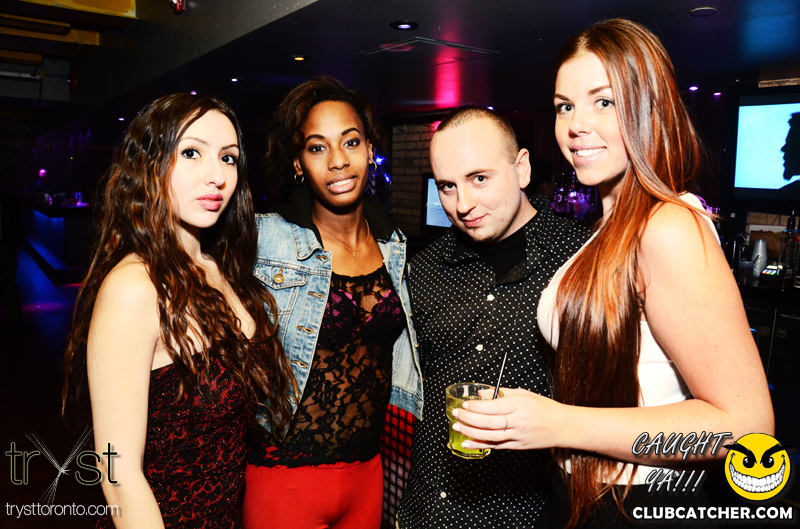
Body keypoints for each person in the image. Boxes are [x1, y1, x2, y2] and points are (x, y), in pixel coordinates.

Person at [451, 19, 774, 528]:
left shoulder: (668, 226)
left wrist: (558, 423)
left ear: (650, 108)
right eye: (565, 106)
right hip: (583, 493)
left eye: (604, 101)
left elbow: (744, 427)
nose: (577, 125)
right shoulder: (608, 226)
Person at [61, 93, 295, 528]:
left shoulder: (222, 268)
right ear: (149, 165)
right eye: (191, 152)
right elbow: (118, 475)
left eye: (228, 158)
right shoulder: (134, 288)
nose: (217, 175)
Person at [396, 105, 591, 528]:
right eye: (447, 186)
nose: (463, 204)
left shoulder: (581, 258)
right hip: (428, 512)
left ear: (521, 169)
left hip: (528, 515)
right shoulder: (423, 271)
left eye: (479, 178)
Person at [243, 76, 423, 529]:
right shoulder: (266, 238)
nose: (338, 160)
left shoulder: (395, 247)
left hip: (368, 473)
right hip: (284, 478)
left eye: (351, 142)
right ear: (298, 163)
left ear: (370, 150)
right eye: (317, 147)